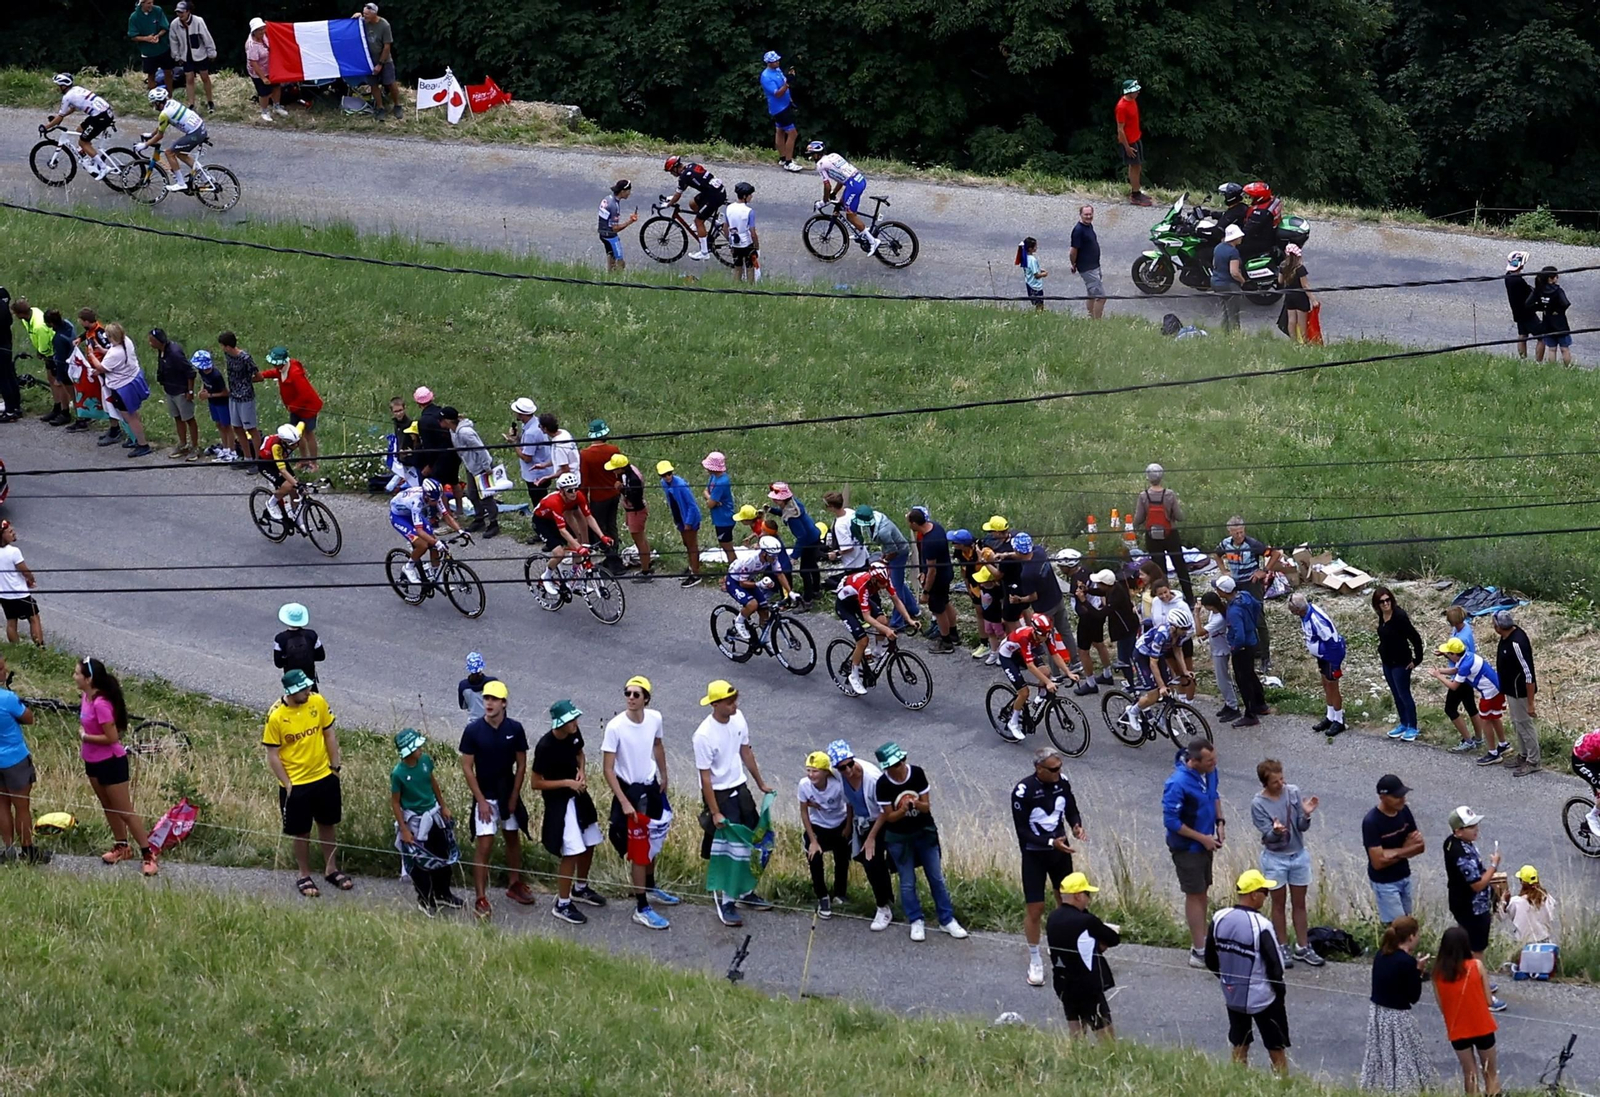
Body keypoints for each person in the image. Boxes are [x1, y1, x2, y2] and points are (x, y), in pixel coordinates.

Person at [693, 680, 774, 926]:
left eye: (734, 700)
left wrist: (760, 783)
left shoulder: (738, 719)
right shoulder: (703, 735)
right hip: (719, 793)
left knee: (752, 840)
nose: (734, 705)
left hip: (739, 787)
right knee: (730, 848)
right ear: (715, 704)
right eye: (729, 702)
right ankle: (726, 901)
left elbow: (745, 751)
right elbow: (705, 778)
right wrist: (715, 812)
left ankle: (745, 892)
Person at [868, 742, 967, 942]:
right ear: (886, 768)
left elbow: (926, 806)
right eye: (892, 766)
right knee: (907, 882)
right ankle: (915, 920)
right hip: (899, 839)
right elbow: (889, 817)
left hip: (924, 833)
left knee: (936, 878)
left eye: (900, 762)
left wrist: (915, 804)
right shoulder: (883, 784)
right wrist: (903, 810)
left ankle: (947, 919)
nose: (899, 768)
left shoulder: (917, 773)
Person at [602, 675, 678, 931]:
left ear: (646, 698)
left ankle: (651, 886)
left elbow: (658, 745)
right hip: (630, 792)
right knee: (638, 850)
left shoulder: (655, 718)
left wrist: (664, 775)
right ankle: (642, 907)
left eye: (636, 694)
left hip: (650, 786)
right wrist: (624, 801)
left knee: (653, 841)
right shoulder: (615, 727)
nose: (631, 698)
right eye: (628, 693)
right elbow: (608, 769)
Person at [262, 669, 346, 896]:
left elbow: (329, 734)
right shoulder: (276, 716)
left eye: (308, 687)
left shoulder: (317, 702)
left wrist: (335, 768)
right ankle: (304, 874)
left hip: (323, 776)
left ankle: (331, 869)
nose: (308, 691)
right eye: (303, 689)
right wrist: (287, 783)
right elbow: (273, 754)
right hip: (297, 783)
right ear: (291, 692)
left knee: (328, 824)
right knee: (301, 831)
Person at [458, 679, 535, 919]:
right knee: (484, 845)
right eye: (486, 698)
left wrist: (514, 796)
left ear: (504, 703)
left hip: (507, 794)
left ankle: (514, 884)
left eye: (494, 699)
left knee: (512, 838)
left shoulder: (515, 729)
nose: (489, 703)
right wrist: (480, 801)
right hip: (485, 796)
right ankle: (480, 897)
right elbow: (467, 767)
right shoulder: (473, 731)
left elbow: (521, 764)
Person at [1205, 869, 1289, 1076]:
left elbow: (1209, 959)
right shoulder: (1262, 925)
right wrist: (1279, 993)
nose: (1266, 897)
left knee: (1239, 1041)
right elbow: (1276, 968)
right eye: (1264, 892)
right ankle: (1282, 1083)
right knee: (1275, 1045)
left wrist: (1228, 980)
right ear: (1253, 894)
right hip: (1264, 998)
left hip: (1233, 994)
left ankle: (1237, 1080)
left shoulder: (1219, 917)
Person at [1013, 748, 1085, 986]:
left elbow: (1071, 808)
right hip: (1035, 854)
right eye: (1053, 769)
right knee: (1036, 908)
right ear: (1039, 769)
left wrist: (1076, 825)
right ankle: (1035, 959)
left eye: (1060, 767)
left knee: (1067, 904)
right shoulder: (1023, 791)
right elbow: (1022, 831)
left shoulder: (1062, 781)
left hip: (1060, 852)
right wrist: (1049, 842)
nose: (1058, 772)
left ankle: (1065, 951)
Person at [531, 700, 606, 925]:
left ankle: (580, 888)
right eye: (571, 720)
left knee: (591, 841)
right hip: (560, 804)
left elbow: (579, 754)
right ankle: (562, 903)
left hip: (579, 796)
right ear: (559, 723)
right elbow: (536, 782)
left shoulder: (573, 734)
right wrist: (567, 783)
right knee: (571, 851)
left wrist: (581, 771)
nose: (576, 723)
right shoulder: (545, 746)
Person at [1250, 759, 1324, 969]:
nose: (1281, 784)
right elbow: (1267, 836)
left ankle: (1303, 946)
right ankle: (1282, 946)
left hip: (1298, 855)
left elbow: (1301, 827)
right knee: (1278, 904)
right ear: (1265, 783)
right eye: (1275, 782)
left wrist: (1306, 814)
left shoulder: (1293, 792)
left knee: (1300, 904)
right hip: (1275, 859)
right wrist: (1275, 832)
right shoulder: (1258, 804)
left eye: (1282, 779)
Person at [1359, 915, 1439, 1094]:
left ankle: (1380, 1085)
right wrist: (1418, 971)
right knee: (1404, 1053)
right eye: (1417, 934)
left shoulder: (1381, 954)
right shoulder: (1407, 963)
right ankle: (1405, 1087)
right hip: (1397, 1016)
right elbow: (1413, 996)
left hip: (1378, 1012)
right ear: (1411, 937)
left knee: (1382, 1052)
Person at [389, 727, 461, 915]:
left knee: (442, 854)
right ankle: (425, 899)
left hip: (433, 816)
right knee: (420, 864)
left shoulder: (426, 761)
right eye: (417, 747)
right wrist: (404, 830)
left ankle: (442, 893)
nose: (421, 749)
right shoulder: (398, 773)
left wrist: (443, 806)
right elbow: (395, 802)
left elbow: (432, 782)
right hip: (415, 822)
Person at [1442, 805, 1506, 1010]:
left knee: (1469, 945)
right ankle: (1483, 994)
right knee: (1477, 950)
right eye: (1470, 826)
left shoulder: (1452, 843)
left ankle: (1476, 979)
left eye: (1475, 824)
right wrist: (1494, 866)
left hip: (1461, 903)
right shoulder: (1462, 854)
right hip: (1473, 907)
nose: (1476, 829)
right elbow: (1477, 884)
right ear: (1458, 830)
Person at [1164, 737, 1221, 966]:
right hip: (1187, 847)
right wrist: (1202, 838)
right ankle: (1198, 951)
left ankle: (1203, 941)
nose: (1214, 764)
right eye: (1209, 761)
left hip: (1206, 842)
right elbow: (1171, 822)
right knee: (1194, 894)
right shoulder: (1177, 783)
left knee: (1203, 891)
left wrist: (1220, 822)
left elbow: (1214, 795)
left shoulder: (1210, 772)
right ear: (1194, 761)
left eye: (1215, 758)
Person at [826, 739, 894, 929]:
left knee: (873, 861)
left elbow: (884, 810)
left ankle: (883, 908)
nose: (848, 770)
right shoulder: (840, 776)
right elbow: (849, 801)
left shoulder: (872, 778)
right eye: (842, 767)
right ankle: (887, 899)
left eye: (850, 764)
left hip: (880, 821)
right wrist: (848, 825)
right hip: (861, 822)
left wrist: (871, 838)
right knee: (870, 862)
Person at [1047, 872, 1120, 1040]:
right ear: (1078, 896)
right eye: (1087, 894)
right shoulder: (1087, 921)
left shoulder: (1052, 918)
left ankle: (1075, 1053)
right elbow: (1113, 939)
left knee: (1075, 1027)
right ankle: (1109, 1054)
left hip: (1063, 982)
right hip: (1087, 984)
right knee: (1104, 1031)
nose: (1089, 899)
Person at [1431, 925, 1499, 1095]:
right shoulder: (1476, 966)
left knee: (1469, 1073)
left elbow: (1442, 1007)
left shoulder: (1437, 974)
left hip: (1457, 1030)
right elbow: (1489, 1001)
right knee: (1489, 1072)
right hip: (1482, 1026)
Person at [1212, 515, 1277, 675]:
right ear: (1230, 532)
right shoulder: (1225, 544)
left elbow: (1275, 554)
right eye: (1236, 533)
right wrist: (1223, 570)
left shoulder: (1252, 544)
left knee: (1258, 620)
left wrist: (1264, 570)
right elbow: (1216, 554)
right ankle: (1251, 649)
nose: (1239, 535)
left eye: (1241, 532)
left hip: (1252, 584)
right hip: (1235, 584)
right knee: (1238, 616)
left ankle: (1265, 657)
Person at [835, 565, 913, 695]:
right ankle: (854, 675)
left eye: (885, 582)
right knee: (863, 641)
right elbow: (867, 617)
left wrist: (909, 620)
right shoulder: (863, 585)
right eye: (881, 583)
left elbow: (896, 600)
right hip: (845, 606)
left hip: (857, 600)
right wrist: (887, 631)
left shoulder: (883, 579)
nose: (884, 586)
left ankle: (877, 651)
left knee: (883, 620)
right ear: (873, 580)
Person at [1429, 637, 1509, 766]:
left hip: (1489, 693)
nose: (1447, 655)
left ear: (1454, 654)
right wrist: (1440, 671)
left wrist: (1438, 676)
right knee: (1494, 718)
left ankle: (1493, 753)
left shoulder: (1465, 665)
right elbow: (1456, 670)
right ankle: (1503, 744)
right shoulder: (1467, 656)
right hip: (1497, 688)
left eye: (1448, 653)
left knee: (1486, 721)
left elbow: (1453, 686)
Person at [531, 472, 611, 596]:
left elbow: (589, 517)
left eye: (576, 488)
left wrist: (602, 536)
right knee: (559, 553)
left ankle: (576, 581)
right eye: (569, 490)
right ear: (561, 491)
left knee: (577, 545)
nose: (574, 492)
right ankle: (546, 577)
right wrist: (578, 547)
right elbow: (562, 530)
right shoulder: (554, 501)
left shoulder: (578, 496)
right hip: (542, 522)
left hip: (555, 520)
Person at [0, 653, 46, 864]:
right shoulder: (7, 699)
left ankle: (8, 849)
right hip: (15, 759)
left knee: (2, 805)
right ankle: (27, 849)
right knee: (21, 807)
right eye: (1, 669)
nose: (5, 671)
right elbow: (29, 718)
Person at [82, 323, 152, 457]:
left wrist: (91, 354)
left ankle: (142, 444)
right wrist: (103, 350)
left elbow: (101, 368)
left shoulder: (115, 354)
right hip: (132, 380)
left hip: (123, 387)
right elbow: (113, 355)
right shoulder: (126, 341)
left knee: (130, 417)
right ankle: (136, 438)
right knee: (133, 414)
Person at [1364, 773, 1424, 923]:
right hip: (1385, 883)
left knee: (1407, 921)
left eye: (1403, 795)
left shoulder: (1404, 811)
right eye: (1397, 796)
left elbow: (1419, 846)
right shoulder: (1371, 822)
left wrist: (1392, 853)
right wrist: (1405, 849)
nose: (1402, 799)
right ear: (1382, 797)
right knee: (1398, 926)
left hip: (1404, 876)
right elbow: (1378, 862)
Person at [797, 751, 850, 917]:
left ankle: (840, 893)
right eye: (808, 770)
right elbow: (804, 812)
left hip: (839, 824)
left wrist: (848, 827)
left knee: (842, 859)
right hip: (818, 826)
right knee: (814, 857)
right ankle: (822, 896)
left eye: (815, 771)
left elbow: (849, 806)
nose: (811, 775)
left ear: (826, 772)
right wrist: (813, 840)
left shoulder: (838, 785)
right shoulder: (804, 785)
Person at [852, 504, 921, 631]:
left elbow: (894, 551)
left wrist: (883, 562)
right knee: (898, 581)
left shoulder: (883, 531)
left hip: (899, 554)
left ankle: (898, 622)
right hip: (891, 551)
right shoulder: (874, 521)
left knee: (895, 587)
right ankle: (913, 609)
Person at [1132, 464, 1194, 603]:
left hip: (1152, 537)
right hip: (1170, 534)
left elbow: (1138, 519)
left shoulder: (1143, 496)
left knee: (1159, 570)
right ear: (1162, 476)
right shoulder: (1169, 494)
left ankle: (1163, 598)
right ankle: (1190, 598)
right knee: (1180, 566)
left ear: (1148, 477)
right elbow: (1179, 516)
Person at [1288, 591, 1347, 736]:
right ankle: (1330, 716)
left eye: (1293, 611)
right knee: (1326, 684)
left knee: (1333, 687)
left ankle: (1339, 720)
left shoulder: (1316, 620)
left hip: (1330, 657)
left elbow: (1332, 641)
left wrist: (1335, 664)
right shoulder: (1306, 613)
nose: (1292, 613)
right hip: (1323, 656)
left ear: (1299, 610)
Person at [806, 141, 879, 254]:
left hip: (853, 186)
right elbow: (842, 178)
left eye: (812, 154)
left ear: (817, 154)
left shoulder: (820, 165)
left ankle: (872, 241)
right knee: (842, 204)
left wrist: (824, 201)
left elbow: (827, 186)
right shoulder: (834, 156)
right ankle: (861, 231)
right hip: (858, 180)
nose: (811, 157)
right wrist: (834, 193)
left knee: (850, 216)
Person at [389, 478, 464, 588]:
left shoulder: (435, 496)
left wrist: (461, 531)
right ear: (426, 496)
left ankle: (436, 577)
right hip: (399, 517)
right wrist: (436, 543)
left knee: (433, 544)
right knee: (423, 545)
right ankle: (408, 568)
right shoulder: (416, 502)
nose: (436, 502)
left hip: (412, 513)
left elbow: (446, 516)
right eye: (433, 500)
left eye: (437, 499)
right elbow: (419, 531)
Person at [1373, 586, 1425, 742]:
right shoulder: (1382, 615)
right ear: (1377, 604)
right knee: (1396, 694)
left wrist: (1417, 660)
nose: (1386, 604)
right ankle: (1403, 723)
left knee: (1404, 694)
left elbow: (1415, 638)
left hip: (1401, 663)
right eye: (1382, 602)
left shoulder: (1400, 617)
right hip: (1387, 661)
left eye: (1388, 600)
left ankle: (1412, 726)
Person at [1492, 610, 1540, 775]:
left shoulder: (1517, 643)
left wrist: (1531, 703)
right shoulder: (1506, 637)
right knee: (1517, 723)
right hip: (1511, 690)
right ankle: (1524, 755)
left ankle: (1533, 761)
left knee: (1525, 725)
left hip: (1520, 692)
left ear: (1499, 627)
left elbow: (1528, 673)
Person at [43, 73, 118, 178]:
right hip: (103, 112)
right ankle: (91, 156)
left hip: (100, 117)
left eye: (59, 86)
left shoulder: (67, 97)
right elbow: (71, 109)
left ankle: (103, 168)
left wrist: (45, 127)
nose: (58, 88)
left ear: (63, 86)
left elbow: (60, 117)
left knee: (83, 142)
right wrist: (57, 117)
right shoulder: (76, 88)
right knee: (79, 130)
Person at [1215, 576, 1267, 726]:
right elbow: (1257, 606)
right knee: (1251, 674)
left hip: (1242, 648)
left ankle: (1250, 714)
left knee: (1243, 681)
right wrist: (1251, 623)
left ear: (1224, 592)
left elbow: (1240, 635)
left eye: (1218, 589)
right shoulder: (1245, 595)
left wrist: (1234, 647)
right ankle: (1260, 704)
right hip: (1253, 640)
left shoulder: (1234, 611)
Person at [260, 347, 322, 469]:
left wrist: (292, 406)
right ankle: (303, 459)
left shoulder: (295, 373)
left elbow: (305, 394)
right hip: (295, 408)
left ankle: (314, 462)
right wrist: (261, 375)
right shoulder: (282, 369)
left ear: (283, 362)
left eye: (275, 363)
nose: (274, 365)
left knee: (308, 434)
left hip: (307, 408)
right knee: (297, 435)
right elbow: (274, 373)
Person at [906, 508, 957, 652]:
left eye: (909, 522)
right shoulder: (936, 527)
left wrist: (926, 592)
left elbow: (932, 570)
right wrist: (923, 571)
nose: (908, 525)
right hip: (946, 573)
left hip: (937, 580)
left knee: (939, 611)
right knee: (945, 602)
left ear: (914, 523)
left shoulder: (929, 542)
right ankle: (954, 634)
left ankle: (946, 643)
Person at [661, 155, 728, 261]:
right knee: (693, 204)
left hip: (714, 196)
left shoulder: (683, 177)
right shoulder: (691, 166)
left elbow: (678, 195)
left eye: (671, 171)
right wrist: (671, 198)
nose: (671, 174)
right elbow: (682, 188)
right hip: (714, 191)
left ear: (675, 168)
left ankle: (704, 252)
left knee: (698, 221)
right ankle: (715, 222)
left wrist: (668, 204)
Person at [446, 406, 498, 539]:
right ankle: (479, 518)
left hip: (481, 467)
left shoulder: (465, 432)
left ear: (448, 420)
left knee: (486, 496)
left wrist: (487, 466)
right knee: (472, 494)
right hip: (471, 467)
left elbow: (481, 449)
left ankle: (494, 523)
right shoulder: (453, 431)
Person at [767, 482, 822, 606]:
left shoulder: (793, 518)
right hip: (814, 536)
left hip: (809, 542)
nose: (774, 500)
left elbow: (802, 537)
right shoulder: (793, 504)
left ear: (783, 499)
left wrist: (794, 556)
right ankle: (816, 590)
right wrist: (771, 510)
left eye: (776, 499)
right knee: (812, 565)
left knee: (804, 571)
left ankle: (807, 600)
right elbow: (784, 512)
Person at [148, 328, 198, 460]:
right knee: (177, 417)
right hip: (170, 390)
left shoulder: (175, 354)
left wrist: (190, 391)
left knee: (189, 419)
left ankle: (195, 447)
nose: (150, 343)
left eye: (152, 341)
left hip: (181, 391)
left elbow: (190, 372)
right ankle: (183, 444)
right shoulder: (162, 351)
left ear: (159, 341)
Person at [577, 420, 621, 568]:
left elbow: (584, 479)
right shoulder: (613, 449)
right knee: (612, 525)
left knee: (600, 528)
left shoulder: (585, 454)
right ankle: (615, 554)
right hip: (614, 493)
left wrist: (583, 498)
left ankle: (611, 558)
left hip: (598, 497)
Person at [656, 460, 703, 586]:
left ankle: (696, 573)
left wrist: (688, 522)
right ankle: (691, 567)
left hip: (689, 518)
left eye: (669, 473)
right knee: (686, 544)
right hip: (679, 517)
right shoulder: (664, 484)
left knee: (692, 545)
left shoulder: (681, 485)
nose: (667, 477)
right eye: (664, 475)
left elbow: (692, 505)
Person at [217, 331, 261, 461]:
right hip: (233, 396)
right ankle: (247, 457)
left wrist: (245, 382)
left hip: (245, 397)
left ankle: (259, 459)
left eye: (222, 346)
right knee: (237, 427)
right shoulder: (228, 355)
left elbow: (259, 376)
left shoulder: (245, 358)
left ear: (227, 346)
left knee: (250, 428)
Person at [608, 453, 653, 579]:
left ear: (620, 468)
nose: (613, 472)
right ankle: (646, 564)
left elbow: (635, 499)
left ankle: (645, 571)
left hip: (636, 511)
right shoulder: (628, 472)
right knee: (641, 539)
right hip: (632, 511)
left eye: (614, 469)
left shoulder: (633, 480)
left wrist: (621, 489)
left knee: (639, 540)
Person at [0, 521, 43, 648]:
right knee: (34, 618)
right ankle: (40, 648)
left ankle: (16, 648)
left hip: (4, 595)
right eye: (10, 532)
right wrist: (31, 580)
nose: (14, 533)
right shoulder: (14, 551)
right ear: (2, 536)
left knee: (11, 622)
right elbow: (25, 571)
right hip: (20, 594)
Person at [167, 1, 218, 110]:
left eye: (182, 12)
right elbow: (173, 41)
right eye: (178, 12)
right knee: (189, 78)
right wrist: (176, 56)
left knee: (204, 76)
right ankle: (191, 104)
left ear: (188, 11)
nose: (180, 15)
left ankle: (210, 101)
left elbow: (206, 37)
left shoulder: (198, 21)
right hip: (185, 55)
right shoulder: (175, 24)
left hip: (200, 53)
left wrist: (211, 52)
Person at [1198, 591, 1239, 721]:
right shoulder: (1215, 612)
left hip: (1221, 651)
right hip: (1217, 648)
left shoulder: (1219, 618)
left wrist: (1196, 614)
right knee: (1221, 680)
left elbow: (1199, 631)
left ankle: (1233, 706)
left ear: (1210, 606)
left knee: (1223, 680)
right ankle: (1228, 703)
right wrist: (1207, 635)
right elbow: (1211, 630)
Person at [359, 3, 403, 121]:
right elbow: (353, 24)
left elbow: (387, 47)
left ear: (374, 14)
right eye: (363, 14)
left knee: (390, 83)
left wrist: (380, 64)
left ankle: (397, 105)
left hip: (384, 60)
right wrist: (356, 16)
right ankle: (380, 107)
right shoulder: (363, 22)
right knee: (373, 84)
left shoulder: (384, 25)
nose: (364, 16)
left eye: (367, 14)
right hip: (369, 60)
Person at [759, 51, 802, 170]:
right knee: (792, 134)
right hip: (779, 108)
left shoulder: (777, 70)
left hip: (785, 104)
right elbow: (777, 94)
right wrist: (788, 84)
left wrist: (790, 99)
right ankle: (789, 162)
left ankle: (783, 158)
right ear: (768, 63)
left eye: (778, 60)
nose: (777, 62)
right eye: (774, 61)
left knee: (780, 131)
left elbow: (784, 83)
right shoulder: (766, 76)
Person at [1505, 864, 1558, 958]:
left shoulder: (1516, 902)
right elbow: (1551, 915)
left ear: (1522, 882)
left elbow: (1503, 915)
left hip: (1524, 943)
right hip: (1544, 941)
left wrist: (1504, 901)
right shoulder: (1547, 898)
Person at [1114, 79, 1151, 206]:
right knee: (1134, 166)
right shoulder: (1121, 107)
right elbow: (1120, 129)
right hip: (1129, 142)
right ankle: (1135, 195)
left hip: (1136, 138)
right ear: (1128, 92)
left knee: (1137, 166)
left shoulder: (1133, 101)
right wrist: (1127, 147)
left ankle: (1137, 191)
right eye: (1135, 91)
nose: (1138, 92)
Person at [257, 423, 303, 522]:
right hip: (266, 464)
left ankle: (297, 518)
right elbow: (282, 470)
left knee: (294, 490)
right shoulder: (276, 447)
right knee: (289, 484)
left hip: (280, 459)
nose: (296, 446)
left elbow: (302, 423)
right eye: (293, 444)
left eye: (297, 442)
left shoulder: (297, 432)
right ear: (284, 442)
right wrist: (297, 485)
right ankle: (271, 503)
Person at [272, 602, 325, 688]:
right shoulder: (312, 635)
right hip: (310, 680)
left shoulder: (280, 638)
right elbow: (321, 656)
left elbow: (278, 663)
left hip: (292, 683)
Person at [509, 396, 550, 504]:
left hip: (536, 475)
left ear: (521, 414)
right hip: (543, 472)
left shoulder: (531, 433)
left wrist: (514, 443)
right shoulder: (535, 423)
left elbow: (527, 458)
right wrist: (518, 438)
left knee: (539, 503)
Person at [245, 17, 286, 122]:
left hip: (270, 68)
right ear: (254, 31)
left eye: (263, 28)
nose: (262, 31)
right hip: (258, 72)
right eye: (259, 30)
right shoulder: (252, 45)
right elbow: (254, 63)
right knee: (264, 93)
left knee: (276, 87)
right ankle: (264, 111)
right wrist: (263, 77)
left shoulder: (265, 36)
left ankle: (276, 106)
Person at [1531, 265, 1573, 366]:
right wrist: (1558, 311)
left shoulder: (1539, 290)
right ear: (1551, 279)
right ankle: (1568, 368)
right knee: (1564, 348)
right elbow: (1566, 303)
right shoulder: (1558, 291)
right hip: (1560, 323)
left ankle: (1552, 367)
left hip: (1547, 323)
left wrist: (1543, 307)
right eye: (1556, 276)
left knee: (1552, 349)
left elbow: (1529, 303)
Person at [1069, 206, 1106, 318]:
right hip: (1088, 269)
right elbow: (1073, 251)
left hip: (1094, 266)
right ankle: (1097, 321)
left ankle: (1091, 315)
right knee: (1101, 297)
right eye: (1086, 214)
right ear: (1080, 215)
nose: (1088, 216)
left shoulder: (1088, 226)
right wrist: (1073, 264)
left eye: (1090, 214)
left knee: (1091, 294)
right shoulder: (1078, 231)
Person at [597, 179, 640, 272]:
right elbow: (615, 228)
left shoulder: (608, 198)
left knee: (611, 258)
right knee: (621, 263)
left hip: (603, 233)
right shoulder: (614, 206)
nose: (629, 193)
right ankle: (615, 278)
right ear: (622, 191)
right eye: (628, 191)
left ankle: (609, 276)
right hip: (610, 236)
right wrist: (630, 221)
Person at [1278, 245, 1319, 343]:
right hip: (1300, 297)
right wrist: (1313, 299)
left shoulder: (1283, 266)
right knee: (1301, 322)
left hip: (1289, 296)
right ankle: (1304, 341)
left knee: (1291, 320)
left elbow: (1280, 281)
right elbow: (1305, 285)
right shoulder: (1300, 269)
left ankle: (1293, 341)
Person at [129, 0, 173, 92]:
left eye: (152, 2)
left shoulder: (158, 10)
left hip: (163, 48)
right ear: (142, 3)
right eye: (148, 3)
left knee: (168, 72)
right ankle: (153, 97)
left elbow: (165, 27)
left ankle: (169, 96)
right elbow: (133, 36)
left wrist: (158, 36)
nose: (151, 5)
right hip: (148, 52)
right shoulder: (134, 17)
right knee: (151, 75)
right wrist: (146, 38)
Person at [701, 452, 737, 563]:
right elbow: (705, 491)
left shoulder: (721, 482)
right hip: (719, 518)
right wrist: (712, 499)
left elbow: (710, 504)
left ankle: (734, 567)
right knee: (724, 544)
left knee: (727, 547)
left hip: (724, 519)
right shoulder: (713, 477)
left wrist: (712, 501)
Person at [823, 490, 868, 573]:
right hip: (863, 556)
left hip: (853, 564)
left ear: (832, 507)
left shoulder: (839, 526)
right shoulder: (851, 512)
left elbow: (848, 548)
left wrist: (836, 554)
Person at [726, 181, 761, 283]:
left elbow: (725, 227)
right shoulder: (749, 211)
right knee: (750, 267)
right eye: (750, 195)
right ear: (745, 196)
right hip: (747, 244)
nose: (751, 197)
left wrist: (730, 241)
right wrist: (756, 246)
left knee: (737, 267)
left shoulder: (729, 208)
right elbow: (752, 232)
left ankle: (736, 287)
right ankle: (750, 287)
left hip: (735, 243)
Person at [1213, 224, 1246, 332]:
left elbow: (1214, 264)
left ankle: (1224, 332)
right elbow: (1234, 272)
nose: (1241, 238)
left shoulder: (1218, 247)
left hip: (1216, 282)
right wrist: (1243, 281)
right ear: (1235, 238)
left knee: (1225, 311)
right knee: (1233, 314)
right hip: (1229, 285)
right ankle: (1235, 335)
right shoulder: (1233, 252)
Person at [1504, 252, 1537, 358]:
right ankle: (1539, 361)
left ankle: (1523, 359)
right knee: (1542, 337)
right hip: (1527, 313)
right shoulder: (1518, 281)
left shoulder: (1508, 276)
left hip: (1517, 311)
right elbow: (1529, 293)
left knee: (1522, 335)